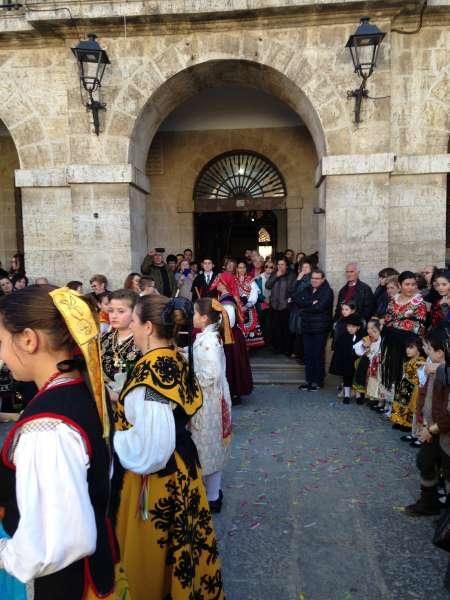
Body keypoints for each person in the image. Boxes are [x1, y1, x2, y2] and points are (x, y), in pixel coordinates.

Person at [0, 285, 116, 599]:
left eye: (1, 342)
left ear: (28, 338)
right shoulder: (84, 389)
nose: (1, 355)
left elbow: (56, 540)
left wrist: (7, 553)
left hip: (59, 584)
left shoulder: (48, 428)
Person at [113, 294, 224, 599]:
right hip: (182, 466)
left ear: (148, 327)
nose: (131, 328)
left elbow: (151, 450)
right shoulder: (175, 357)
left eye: (133, 321)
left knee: (152, 557)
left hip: (158, 479)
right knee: (183, 546)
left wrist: (113, 437)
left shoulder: (150, 375)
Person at [189, 298, 233, 513]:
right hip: (210, 398)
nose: (193, 316)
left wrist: (192, 378)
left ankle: (212, 496)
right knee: (210, 447)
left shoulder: (209, 341)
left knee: (208, 447)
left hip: (207, 400)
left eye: (195, 313)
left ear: (204, 317)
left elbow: (211, 373)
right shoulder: (207, 337)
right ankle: (212, 493)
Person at [405, 326, 450, 516]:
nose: (426, 351)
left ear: (440, 352)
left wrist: (432, 429)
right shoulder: (432, 366)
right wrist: (424, 423)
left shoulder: (444, 373)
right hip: (431, 428)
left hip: (444, 432)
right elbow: (424, 395)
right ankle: (428, 502)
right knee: (425, 462)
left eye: (429, 348)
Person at [211, 272, 253, 403]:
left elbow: (229, 322)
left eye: (219, 281)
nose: (216, 283)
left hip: (230, 337)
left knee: (231, 364)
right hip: (230, 335)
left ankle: (234, 393)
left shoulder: (227, 302)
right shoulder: (224, 298)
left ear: (224, 284)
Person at [297, 269, 334, 392]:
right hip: (307, 327)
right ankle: (309, 380)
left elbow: (319, 307)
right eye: (313, 278)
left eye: (317, 278)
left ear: (323, 279)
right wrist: (310, 303)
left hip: (320, 328)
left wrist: (304, 308)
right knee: (308, 354)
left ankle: (318, 381)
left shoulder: (327, 291)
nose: (314, 280)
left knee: (318, 354)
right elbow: (298, 301)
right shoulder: (307, 289)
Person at [101, 289, 140, 404]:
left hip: (131, 404)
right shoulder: (105, 338)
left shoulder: (141, 341)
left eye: (121, 311)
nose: (114, 316)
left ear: (135, 312)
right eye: (111, 311)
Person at [390, 337, 426, 432]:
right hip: (405, 385)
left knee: (410, 405)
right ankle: (399, 421)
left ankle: (408, 424)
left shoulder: (420, 361)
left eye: (411, 347)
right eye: (407, 347)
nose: (407, 350)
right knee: (400, 403)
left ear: (418, 348)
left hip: (413, 387)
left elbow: (421, 377)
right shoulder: (410, 360)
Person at [328, 314, 363, 403]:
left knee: (357, 378)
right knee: (346, 377)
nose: (350, 328)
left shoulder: (361, 337)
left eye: (353, 326)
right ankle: (346, 395)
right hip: (346, 361)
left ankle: (358, 395)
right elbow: (339, 350)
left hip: (357, 362)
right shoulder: (343, 336)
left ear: (358, 327)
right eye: (349, 326)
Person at [266, 257, 296, 355]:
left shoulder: (291, 275)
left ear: (286, 265)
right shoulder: (274, 274)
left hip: (285, 307)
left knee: (285, 329)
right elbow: (267, 285)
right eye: (278, 264)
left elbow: (293, 289)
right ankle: (277, 348)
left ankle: (286, 349)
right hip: (274, 306)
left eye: (282, 264)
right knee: (275, 328)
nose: (280, 266)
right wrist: (276, 276)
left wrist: (288, 302)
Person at [354, 318, 382, 408]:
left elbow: (379, 351)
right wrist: (364, 347)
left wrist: (371, 347)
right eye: (368, 328)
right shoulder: (366, 338)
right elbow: (357, 350)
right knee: (362, 363)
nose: (369, 331)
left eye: (372, 329)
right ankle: (358, 393)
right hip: (366, 360)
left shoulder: (380, 339)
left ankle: (371, 396)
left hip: (376, 362)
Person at [236, 261, 264, 349]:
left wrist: (247, 305)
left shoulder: (250, 280)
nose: (242, 269)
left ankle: (247, 347)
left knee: (249, 326)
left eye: (243, 267)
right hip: (237, 307)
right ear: (237, 269)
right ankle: (239, 346)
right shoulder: (233, 280)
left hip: (249, 307)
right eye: (240, 267)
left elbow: (254, 293)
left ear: (246, 269)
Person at [289, 261, 313, 360]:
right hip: (296, 308)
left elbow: (295, 293)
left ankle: (301, 354)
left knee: (301, 331)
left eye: (307, 267)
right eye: (303, 267)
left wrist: (298, 281)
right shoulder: (299, 278)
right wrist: (298, 279)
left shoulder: (311, 279)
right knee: (296, 331)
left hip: (303, 309)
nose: (304, 269)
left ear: (311, 269)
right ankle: (297, 352)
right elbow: (290, 290)